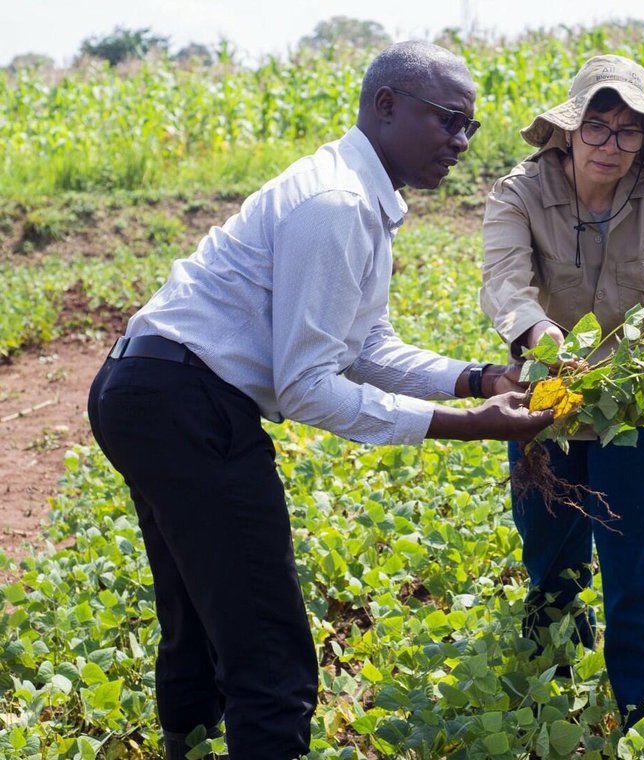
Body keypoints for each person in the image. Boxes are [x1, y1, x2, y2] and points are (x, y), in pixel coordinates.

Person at [87, 41, 553, 760]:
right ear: (386, 106)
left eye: (470, 126)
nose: (461, 142)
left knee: (200, 622)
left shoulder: (358, 193)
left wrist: (477, 378)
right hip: (186, 405)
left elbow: (364, 346)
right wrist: (465, 427)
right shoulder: (336, 202)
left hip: (148, 392)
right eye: (448, 120)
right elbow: (306, 385)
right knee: (269, 654)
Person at [478, 54, 644, 725]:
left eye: (628, 130)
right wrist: (543, 337)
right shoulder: (520, 193)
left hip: (640, 415)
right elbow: (504, 283)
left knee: (640, 582)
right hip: (547, 409)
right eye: (597, 126)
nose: (611, 144)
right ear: (569, 129)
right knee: (552, 571)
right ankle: (551, 716)